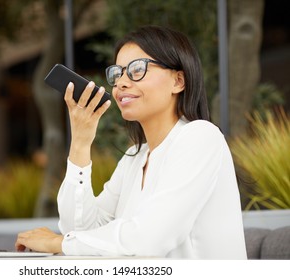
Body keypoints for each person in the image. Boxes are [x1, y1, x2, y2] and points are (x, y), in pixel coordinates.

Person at [15, 25, 247, 259]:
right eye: (117, 73)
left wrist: (58, 242)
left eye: (137, 70)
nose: (121, 83)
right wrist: (80, 143)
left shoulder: (200, 137)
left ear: (178, 81)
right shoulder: (135, 157)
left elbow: (149, 238)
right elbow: (80, 231)